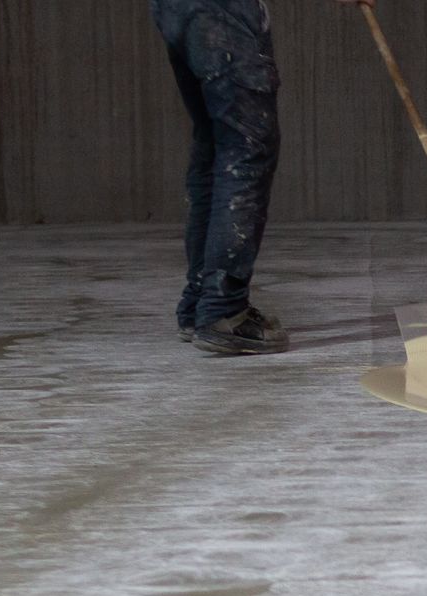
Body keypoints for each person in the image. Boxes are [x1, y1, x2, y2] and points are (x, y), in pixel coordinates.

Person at [150, 0, 374, 356]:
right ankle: (223, 311)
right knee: (246, 147)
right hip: (223, 11)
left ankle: (200, 303)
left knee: (215, 147)